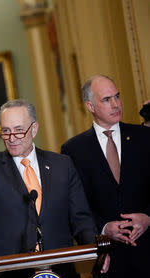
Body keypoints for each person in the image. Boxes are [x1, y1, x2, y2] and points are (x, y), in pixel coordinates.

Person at [0, 99, 105, 278]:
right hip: (7, 269)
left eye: (19, 130)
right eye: (6, 131)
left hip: (59, 266)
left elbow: (80, 218)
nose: (12, 138)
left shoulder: (62, 165)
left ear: (34, 129)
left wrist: (98, 251)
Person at [61, 75, 150, 278]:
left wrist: (148, 217)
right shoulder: (74, 150)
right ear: (90, 106)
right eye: (107, 99)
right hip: (109, 259)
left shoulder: (144, 137)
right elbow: (75, 206)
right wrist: (103, 228)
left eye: (117, 97)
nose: (116, 104)